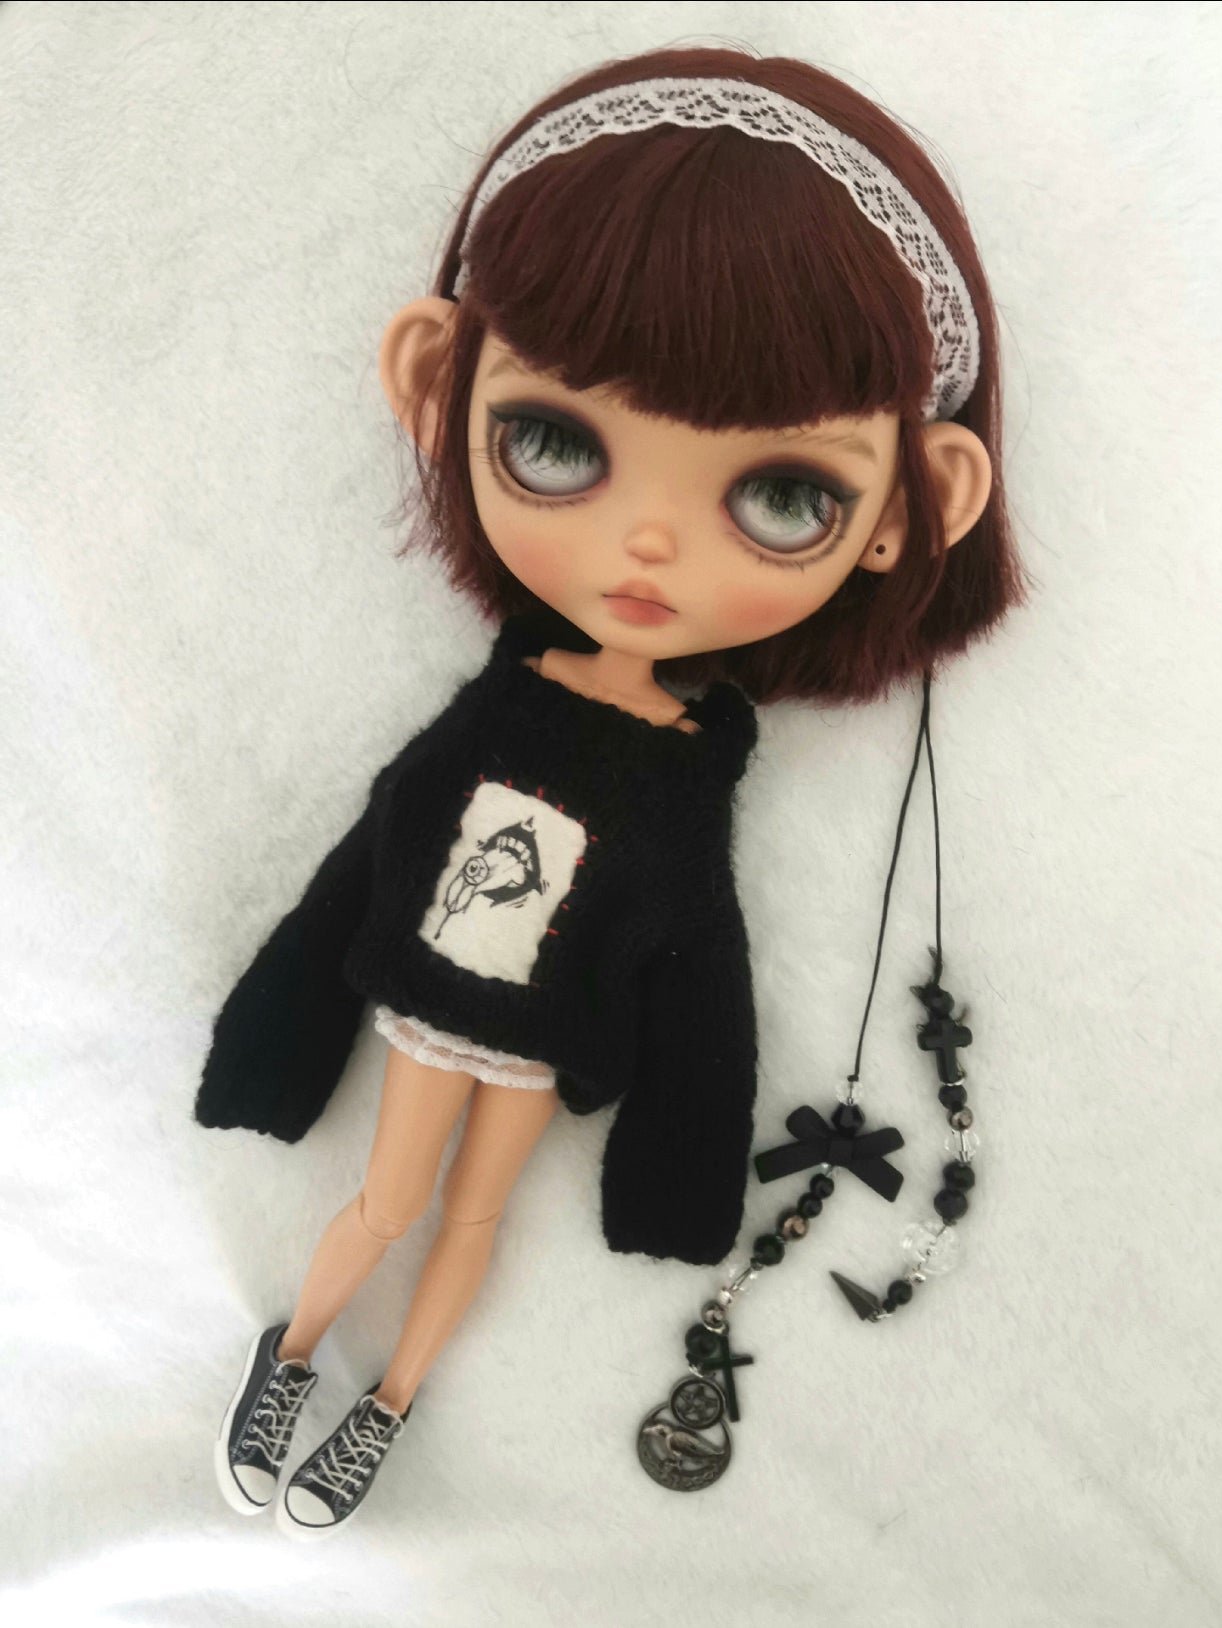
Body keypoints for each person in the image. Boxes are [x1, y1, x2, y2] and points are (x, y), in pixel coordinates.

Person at [198, 43, 1027, 1539]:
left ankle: (387, 1407)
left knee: (472, 1218)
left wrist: (680, 1157)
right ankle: (295, 1355)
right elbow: (376, 847)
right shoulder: (505, 704)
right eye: (554, 441)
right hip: (429, 1002)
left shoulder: (693, 768)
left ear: (914, 510)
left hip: (538, 1045)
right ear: (435, 384)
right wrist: (287, 1021)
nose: (648, 547)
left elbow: (700, 951)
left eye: (785, 496)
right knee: (390, 1200)